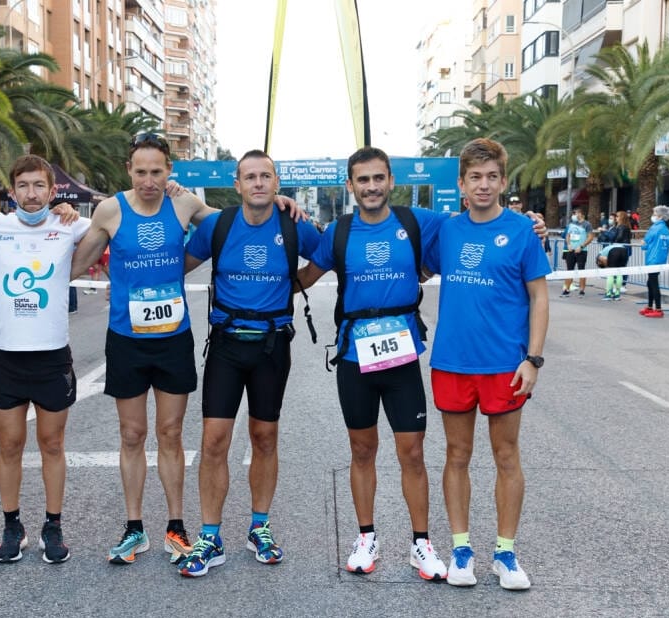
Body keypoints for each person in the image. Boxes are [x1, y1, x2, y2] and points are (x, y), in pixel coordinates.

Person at [294, 147, 448, 579]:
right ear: (350, 185)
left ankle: (421, 544)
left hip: (401, 357)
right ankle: (366, 538)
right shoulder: (340, 232)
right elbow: (305, 277)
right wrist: (255, 278)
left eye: (378, 178)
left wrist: (528, 225)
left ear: (390, 180)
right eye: (362, 180)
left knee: (412, 452)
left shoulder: (417, 222)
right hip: (353, 356)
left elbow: (472, 229)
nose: (371, 187)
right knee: (362, 450)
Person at [68, 133, 217, 566]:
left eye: (157, 171)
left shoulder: (184, 205)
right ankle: (134, 528)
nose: (149, 180)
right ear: (129, 171)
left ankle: (176, 526)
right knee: (132, 434)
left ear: (169, 171)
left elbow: (235, 223)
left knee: (170, 433)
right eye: (141, 171)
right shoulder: (111, 209)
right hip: (127, 339)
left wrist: (281, 206)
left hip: (173, 338)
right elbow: (77, 262)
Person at [177, 149, 321, 578]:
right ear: (237, 185)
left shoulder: (294, 224)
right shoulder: (219, 226)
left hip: (272, 346)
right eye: (250, 177)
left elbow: (327, 257)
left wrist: (290, 289)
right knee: (214, 441)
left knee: (264, 437)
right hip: (225, 343)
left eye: (266, 176)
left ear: (276, 184)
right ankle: (209, 535)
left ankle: (259, 526)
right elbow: (178, 266)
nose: (258, 183)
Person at [427, 138, 549, 591]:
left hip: (505, 364)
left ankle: (505, 553)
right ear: (461, 183)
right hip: (453, 363)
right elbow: (413, 262)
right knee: (457, 455)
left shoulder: (522, 231)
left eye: (491, 176)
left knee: (506, 455)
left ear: (503, 180)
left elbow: (539, 297)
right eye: (474, 177)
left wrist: (533, 359)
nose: (483, 185)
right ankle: (461, 550)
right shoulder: (445, 230)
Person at [0, 155, 90, 564]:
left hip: (52, 356)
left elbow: (115, 222)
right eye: (22, 185)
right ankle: (12, 525)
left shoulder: (70, 225)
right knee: (9, 445)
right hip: (6, 358)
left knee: (52, 444)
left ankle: (53, 526)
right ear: (12, 191)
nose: (31, 193)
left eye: (39, 185)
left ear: (52, 190)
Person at [639, 205, 669, 318]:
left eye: (654, 214)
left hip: (652, 258)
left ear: (660, 216)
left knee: (653, 283)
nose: (653, 216)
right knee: (650, 282)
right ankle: (649, 306)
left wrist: (643, 244)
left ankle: (658, 309)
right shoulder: (665, 229)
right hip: (660, 258)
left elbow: (646, 242)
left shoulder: (655, 228)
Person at [560, 208, 594, 297]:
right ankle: (566, 289)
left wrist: (582, 246)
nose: (574, 215)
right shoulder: (571, 224)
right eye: (574, 213)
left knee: (581, 270)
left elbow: (590, 237)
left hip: (581, 251)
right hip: (571, 250)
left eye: (577, 213)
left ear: (582, 214)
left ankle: (582, 290)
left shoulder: (587, 224)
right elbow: (568, 235)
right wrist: (568, 244)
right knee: (569, 270)